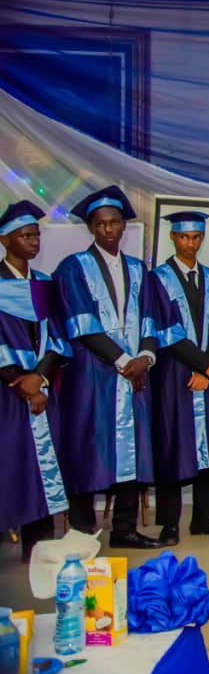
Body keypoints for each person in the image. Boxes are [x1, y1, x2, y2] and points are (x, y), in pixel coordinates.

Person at [53, 186, 161, 549]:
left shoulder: (139, 269)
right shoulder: (73, 268)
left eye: (115, 222)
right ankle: (82, 532)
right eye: (101, 224)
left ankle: (125, 529)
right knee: (88, 447)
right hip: (92, 374)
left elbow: (151, 320)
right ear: (91, 228)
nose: (109, 230)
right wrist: (123, 361)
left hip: (135, 377)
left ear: (123, 226)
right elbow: (81, 324)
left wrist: (144, 359)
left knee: (133, 449)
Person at [148, 212, 209, 544]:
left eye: (196, 237)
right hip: (173, 374)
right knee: (173, 443)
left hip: (208, 376)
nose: (190, 243)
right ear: (173, 237)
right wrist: (204, 366)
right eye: (184, 237)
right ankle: (170, 523)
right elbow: (165, 331)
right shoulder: (158, 279)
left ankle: (206, 518)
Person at [0, 201, 72, 562]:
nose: (33, 241)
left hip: (42, 393)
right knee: (10, 467)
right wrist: (21, 382)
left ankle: (38, 552)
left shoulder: (45, 284)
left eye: (35, 235)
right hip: (7, 395)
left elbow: (59, 338)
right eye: (24, 235)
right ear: (4, 239)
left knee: (44, 471)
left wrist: (40, 379)